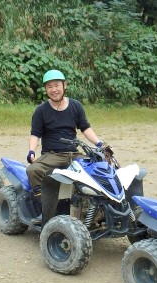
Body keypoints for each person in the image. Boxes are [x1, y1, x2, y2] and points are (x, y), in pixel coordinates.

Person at [26, 69, 107, 223]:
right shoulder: (41, 111)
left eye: (57, 85)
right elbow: (35, 134)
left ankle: (97, 208)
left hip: (74, 154)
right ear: (46, 89)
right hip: (52, 155)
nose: (53, 89)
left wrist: (99, 143)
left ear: (64, 85)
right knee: (33, 170)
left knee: (100, 167)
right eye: (49, 86)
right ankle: (42, 207)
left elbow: (85, 128)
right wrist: (31, 151)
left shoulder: (75, 106)